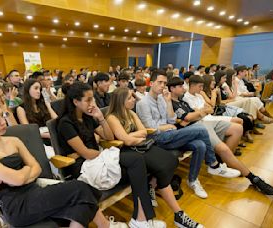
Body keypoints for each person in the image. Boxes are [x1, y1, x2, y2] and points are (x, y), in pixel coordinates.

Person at [0, 98, 101, 228]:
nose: (3, 122)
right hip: (16, 205)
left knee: (83, 202)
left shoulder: (13, 140)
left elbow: (36, 168)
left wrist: (21, 176)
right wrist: (24, 173)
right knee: (82, 189)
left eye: (2, 116)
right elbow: (19, 178)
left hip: (35, 190)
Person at [57, 82, 165, 228]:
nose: (92, 103)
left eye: (92, 99)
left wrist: (100, 117)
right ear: (76, 102)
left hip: (97, 158)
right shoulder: (66, 123)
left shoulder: (87, 117)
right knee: (136, 162)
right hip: (82, 166)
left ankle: (141, 218)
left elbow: (108, 137)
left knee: (138, 163)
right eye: (88, 100)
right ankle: (141, 220)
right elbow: (86, 153)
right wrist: (101, 153)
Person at [107, 87, 203, 228]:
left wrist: (131, 136)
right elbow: (125, 141)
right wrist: (132, 137)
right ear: (121, 101)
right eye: (130, 97)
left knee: (171, 161)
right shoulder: (111, 117)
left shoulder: (131, 113)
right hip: (126, 153)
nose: (134, 99)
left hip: (139, 147)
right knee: (163, 167)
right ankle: (178, 214)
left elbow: (144, 132)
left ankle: (154, 188)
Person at [136, 69, 239, 199]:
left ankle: (193, 180)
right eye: (160, 82)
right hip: (157, 139)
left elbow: (172, 119)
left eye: (164, 83)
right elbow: (150, 128)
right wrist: (168, 126)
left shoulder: (162, 99)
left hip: (170, 134)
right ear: (151, 83)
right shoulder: (143, 103)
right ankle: (213, 164)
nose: (162, 86)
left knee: (200, 145)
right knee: (201, 129)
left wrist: (168, 103)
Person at [167, 77, 273, 196]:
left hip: (203, 121)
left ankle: (224, 162)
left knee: (238, 128)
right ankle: (253, 178)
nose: (184, 88)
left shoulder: (182, 101)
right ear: (172, 89)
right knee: (224, 149)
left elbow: (198, 113)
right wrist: (200, 112)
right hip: (198, 126)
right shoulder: (172, 103)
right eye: (180, 86)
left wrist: (199, 113)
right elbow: (186, 119)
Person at [201, 74, 254, 143]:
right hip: (215, 113)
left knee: (248, 116)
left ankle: (245, 134)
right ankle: (243, 136)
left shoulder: (213, 90)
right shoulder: (202, 93)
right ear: (207, 82)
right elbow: (212, 105)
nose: (214, 82)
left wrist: (219, 94)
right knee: (243, 119)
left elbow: (219, 103)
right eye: (212, 81)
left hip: (220, 109)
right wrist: (214, 93)